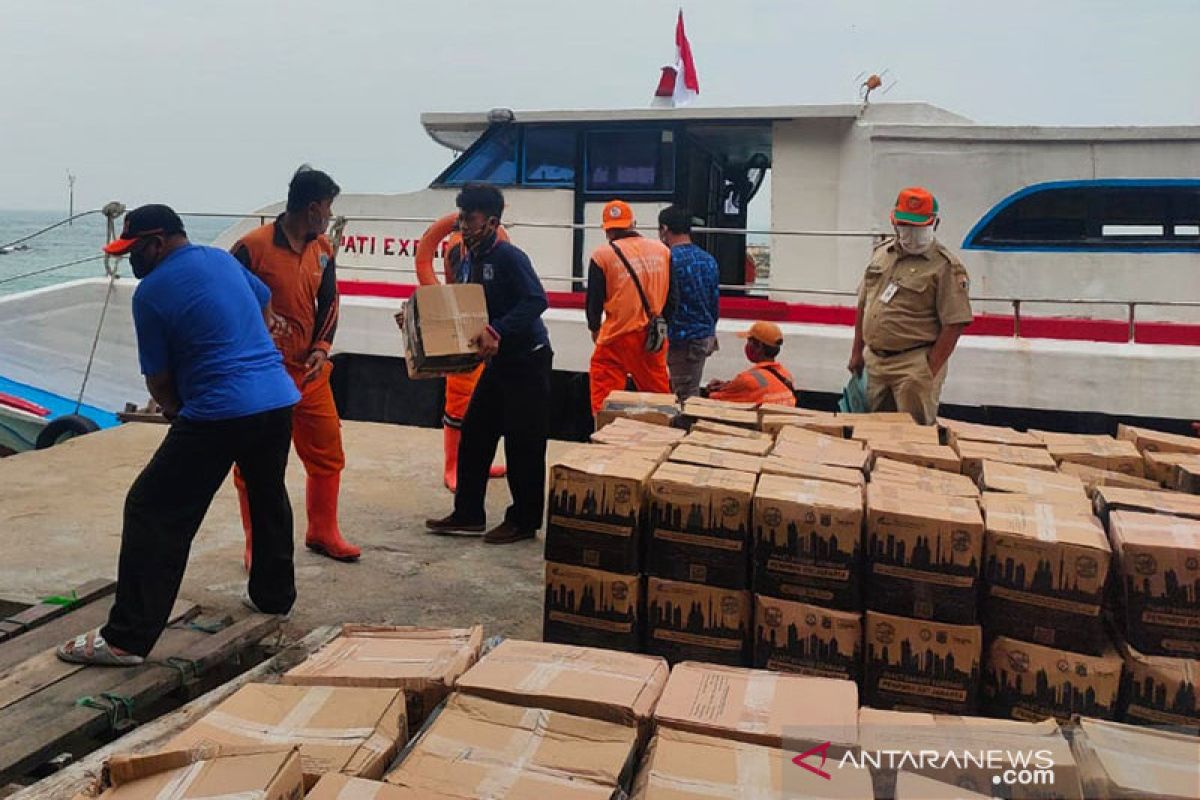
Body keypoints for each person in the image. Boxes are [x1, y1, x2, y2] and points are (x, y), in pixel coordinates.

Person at [58, 205, 299, 666]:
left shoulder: (151, 293)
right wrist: (254, 345)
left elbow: (159, 381)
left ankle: (127, 638)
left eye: (134, 251)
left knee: (152, 508)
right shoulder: (222, 259)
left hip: (220, 409)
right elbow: (265, 298)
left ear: (158, 242)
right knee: (268, 495)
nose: (131, 261)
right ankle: (274, 598)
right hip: (275, 400)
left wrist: (178, 412)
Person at [231, 167, 361, 564]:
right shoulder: (251, 247)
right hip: (263, 375)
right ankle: (257, 545)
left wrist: (322, 347)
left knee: (327, 450)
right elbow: (228, 303)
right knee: (256, 462)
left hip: (310, 372)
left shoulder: (323, 248)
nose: (329, 216)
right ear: (313, 207)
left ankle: (323, 530)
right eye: (328, 208)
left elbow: (331, 301)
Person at [423, 183, 552, 544]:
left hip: (528, 360)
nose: (462, 224)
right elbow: (463, 306)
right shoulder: (468, 258)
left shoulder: (509, 257)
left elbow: (536, 300)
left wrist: (497, 329)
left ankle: (524, 522)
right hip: (499, 364)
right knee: (475, 434)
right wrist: (417, 319)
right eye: (461, 217)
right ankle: (468, 513)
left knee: (523, 444)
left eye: (470, 218)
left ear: (492, 221)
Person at [848, 187, 973, 425]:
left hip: (913, 363)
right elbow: (865, 303)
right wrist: (857, 352)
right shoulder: (881, 254)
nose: (912, 233)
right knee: (871, 431)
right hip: (875, 362)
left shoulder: (945, 266)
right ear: (894, 222)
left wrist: (927, 371)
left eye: (919, 227)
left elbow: (955, 323)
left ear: (934, 224)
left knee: (914, 437)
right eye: (906, 226)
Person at [585, 199, 676, 416]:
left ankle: (606, 433)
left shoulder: (602, 256)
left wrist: (595, 329)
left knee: (605, 397)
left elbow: (593, 303)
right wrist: (662, 328)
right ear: (632, 223)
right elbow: (673, 298)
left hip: (616, 336)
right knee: (658, 396)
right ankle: (662, 433)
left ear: (607, 230)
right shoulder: (662, 251)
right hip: (652, 336)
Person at [440, 228, 506, 493]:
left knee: (487, 404)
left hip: (488, 331)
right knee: (459, 400)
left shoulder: (488, 249)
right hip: (465, 333)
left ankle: (478, 462)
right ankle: (452, 466)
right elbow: (464, 289)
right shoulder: (459, 248)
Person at [658, 205, 719, 400]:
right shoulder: (708, 260)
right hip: (702, 338)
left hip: (680, 340)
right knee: (690, 392)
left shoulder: (668, 260)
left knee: (683, 399)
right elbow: (713, 303)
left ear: (665, 229)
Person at [705, 321, 796, 406]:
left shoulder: (748, 378)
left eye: (749, 341)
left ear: (759, 346)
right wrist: (728, 386)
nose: (747, 345)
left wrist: (713, 390)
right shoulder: (786, 375)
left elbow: (715, 399)